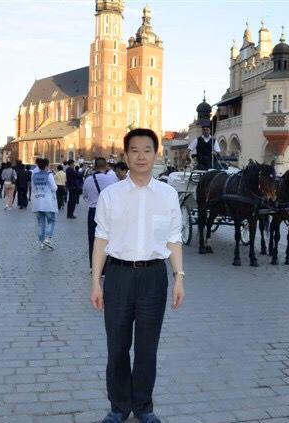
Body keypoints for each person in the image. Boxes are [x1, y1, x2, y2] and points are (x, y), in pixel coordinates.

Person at [91, 128, 184, 423]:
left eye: (147, 150)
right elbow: (101, 239)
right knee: (117, 346)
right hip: (118, 276)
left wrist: (179, 277)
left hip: (153, 278)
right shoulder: (111, 195)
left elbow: (174, 238)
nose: (141, 156)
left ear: (155, 155)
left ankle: (143, 406)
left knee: (147, 347)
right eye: (135, 150)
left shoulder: (168, 195)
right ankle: (119, 407)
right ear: (126, 155)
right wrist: (96, 282)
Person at [83, 157, 118, 270]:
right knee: (108, 238)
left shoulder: (88, 180)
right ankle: (106, 266)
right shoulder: (112, 179)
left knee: (93, 238)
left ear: (94, 166)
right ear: (106, 166)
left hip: (93, 211)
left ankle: (93, 266)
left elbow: (85, 196)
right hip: (108, 212)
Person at [32, 158, 58, 250]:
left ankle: (42, 243)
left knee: (40, 223)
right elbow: (54, 188)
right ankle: (47, 239)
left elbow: (33, 189)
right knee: (51, 221)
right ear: (47, 166)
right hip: (48, 202)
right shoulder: (49, 175)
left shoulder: (34, 175)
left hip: (37, 202)